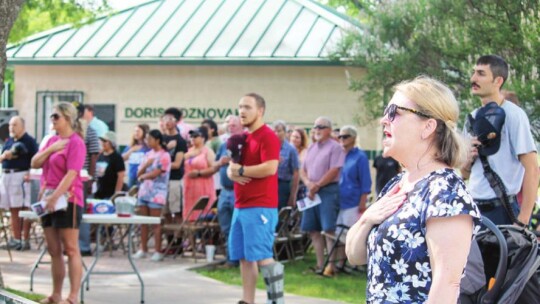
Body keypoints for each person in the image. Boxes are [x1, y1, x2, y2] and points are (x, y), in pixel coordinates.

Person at [346, 76, 481, 303]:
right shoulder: (397, 185)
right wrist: (367, 219)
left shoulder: (445, 192)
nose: (383, 120)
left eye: (394, 112)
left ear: (428, 126)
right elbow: (355, 256)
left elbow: (447, 284)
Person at [462, 55, 538, 225]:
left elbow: (532, 168)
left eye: (481, 74)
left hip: (503, 210)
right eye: (474, 72)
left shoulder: (514, 115)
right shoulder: (472, 118)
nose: (473, 78)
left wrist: (523, 219)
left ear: (498, 81)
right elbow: (465, 174)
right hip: (474, 209)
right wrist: (467, 159)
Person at [227, 93, 284, 304]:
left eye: (247, 107)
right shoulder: (244, 138)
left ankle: (276, 301)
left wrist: (240, 171)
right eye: (240, 106)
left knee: (262, 256)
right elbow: (232, 167)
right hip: (241, 206)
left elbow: (271, 167)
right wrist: (231, 172)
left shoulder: (267, 136)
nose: (242, 111)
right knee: (244, 257)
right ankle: (247, 301)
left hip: (261, 207)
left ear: (260, 111)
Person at [31, 102, 87, 304]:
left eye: (56, 116)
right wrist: (51, 148)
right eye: (51, 116)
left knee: (70, 248)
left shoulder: (76, 142)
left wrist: (55, 196)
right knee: (53, 249)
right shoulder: (52, 141)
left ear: (68, 118)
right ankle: (55, 294)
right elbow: (35, 162)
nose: (52, 120)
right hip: (48, 198)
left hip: (68, 199)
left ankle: (72, 297)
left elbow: (72, 173)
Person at [300, 116, 345, 275]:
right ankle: (319, 265)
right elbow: (302, 170)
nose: (317, 130)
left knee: (328, 229)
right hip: (311, 193)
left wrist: (317, 185)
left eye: (321, 127)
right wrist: (308, 185)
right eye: (315, 126)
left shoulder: (335, 147)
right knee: (313, 229)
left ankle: (330, 267)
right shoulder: (311, 148)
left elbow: (334, 170)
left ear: (329, 130)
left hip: (327, 191)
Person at [0, 116, 38, 251]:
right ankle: (15, 239)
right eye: (10, 125)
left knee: (24, 208)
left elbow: (36, 159)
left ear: (22, 126)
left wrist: (31, 173)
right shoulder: (9, 141)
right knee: (12, 209)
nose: (11, 128)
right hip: (7, 175)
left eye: (15, 125)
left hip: (21, 175)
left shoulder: (29, 141)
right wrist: (4, 156)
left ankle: (25, 239)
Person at [133, 129, 171, 262]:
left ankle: (158, 250)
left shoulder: (164, 155)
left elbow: (158, 172)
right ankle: (143, 249)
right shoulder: (147, 154)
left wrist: (144, 176)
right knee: (143, 222)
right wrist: (145, 167)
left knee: (155, 223)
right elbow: (138, 173)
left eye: (150, 139)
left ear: (157, 140)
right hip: (144, 192)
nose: (148, 142)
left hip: (157, 193)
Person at [213, 115, 243, 267]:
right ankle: (230, 257)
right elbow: (215, 166)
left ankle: (238, 259)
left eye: (234, 125)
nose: (230, 127)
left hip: (239, 189)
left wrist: (232, 161)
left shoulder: (247, 143)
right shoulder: (223, 145)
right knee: (225, 226)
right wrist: (220, 162)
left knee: (238, 225)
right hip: (225, 190)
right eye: (229, 125)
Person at [161, 108, 188, 227]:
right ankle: (169, 240)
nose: (167, 121)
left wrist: (160, 166)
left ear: (176, 121)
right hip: (161, 181)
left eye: (171, 119)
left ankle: (179, 242)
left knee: (176, 212)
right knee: (165, 213)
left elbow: (177, 164)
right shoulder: (161, 139)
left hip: (175, 181)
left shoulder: (180, 140)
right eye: (165, 118)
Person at [183, 127, 215, 221]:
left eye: (196, 136)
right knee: (189, 214)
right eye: (191, 136)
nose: (192, 138)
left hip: (203, 186)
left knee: (203, 213)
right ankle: (190, 235)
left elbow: (213, 168)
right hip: (189, 188)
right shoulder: (188, 151)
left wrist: (199, 173)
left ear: (203, 138)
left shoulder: (207, 151)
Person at [272, 120, 300, 210]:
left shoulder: (291, 149)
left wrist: (293, 195)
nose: (276, 134)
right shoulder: (269, 147)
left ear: (284, 132)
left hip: (282, 186)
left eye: (279, 131)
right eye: (274, 131)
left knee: (279, 214)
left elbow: (296, 173)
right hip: (269, 184)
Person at [95, 132, 125, 199]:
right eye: (102, 141)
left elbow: (121, 176)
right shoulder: (100, 155)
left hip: (110, 194)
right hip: (99, 192)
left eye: (105, 141)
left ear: (112, 143)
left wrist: (116, 194)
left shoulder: (117, 157)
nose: (102, 143)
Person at [122, 124, 150, 188]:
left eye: (138, 131)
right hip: (132, 176)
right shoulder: (130, 146)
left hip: (144, 176)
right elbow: (122, 159)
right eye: (135, 131)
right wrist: (131, 150)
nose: (136, 133)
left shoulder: (148, 147)